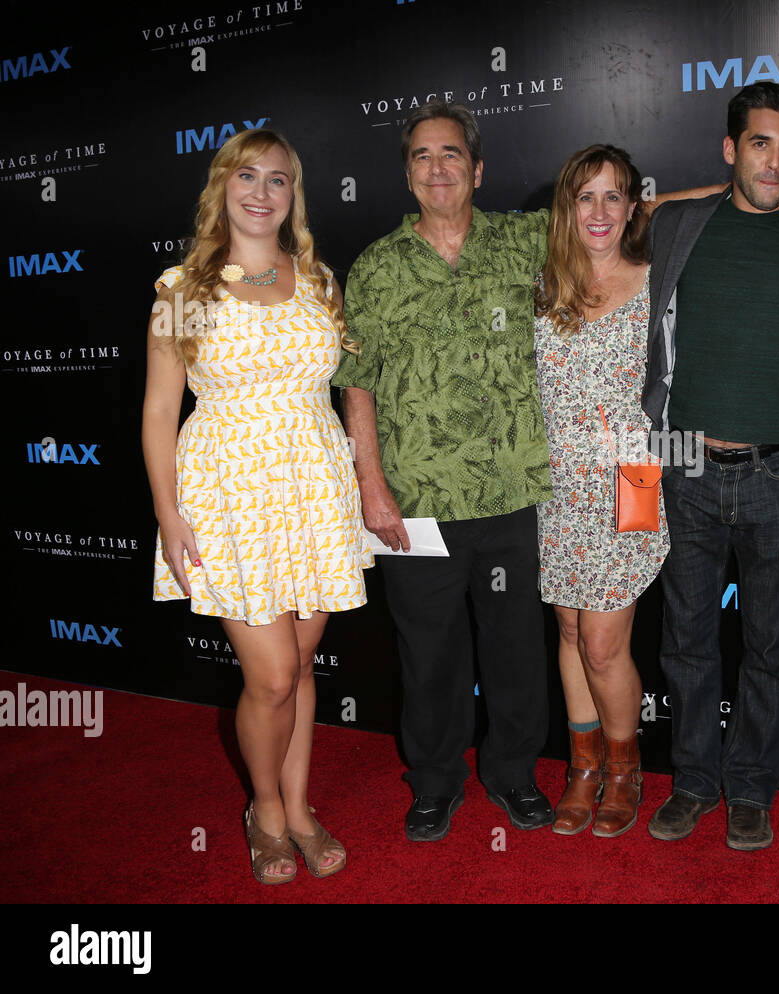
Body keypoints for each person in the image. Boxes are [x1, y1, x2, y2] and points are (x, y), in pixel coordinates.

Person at [142, 128, 372, 884]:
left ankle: (301, 811)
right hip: (229, 498)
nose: (262, 191)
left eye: (279, 179)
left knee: (303, 664)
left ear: (292, 196)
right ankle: (265, 812)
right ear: (222, 186)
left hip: (314, 487)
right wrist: (170, 517)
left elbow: (341, 389)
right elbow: (158, 413)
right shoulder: (180, 292)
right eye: (248, 175)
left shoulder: (318, 280)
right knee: (271, 676)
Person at [334, 101, 557, 840]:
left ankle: (514, 773)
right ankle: (433, 780)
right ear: (407, 173)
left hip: (512, 491)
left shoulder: (525, 242)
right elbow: (355, 381)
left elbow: (626, 210)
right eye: (423, 156)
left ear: (478, 168)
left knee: (516, 649)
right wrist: (371, 484)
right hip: (416, 500)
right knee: (428, 654)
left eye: (451, 154)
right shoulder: (377, 266)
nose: (438, 168)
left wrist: (727, 191)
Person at [643, 82, 779, 851]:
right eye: (759, 143)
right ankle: (695, 783)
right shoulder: (677, 224)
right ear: (731, 149)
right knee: (686, 641)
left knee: (772, 646)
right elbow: (612, 219)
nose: (777, 161)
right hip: (684, 470)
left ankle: (751, 792)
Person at [533, 145, 668, 837]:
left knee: (604, 644)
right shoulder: (544, 284)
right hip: (555, 482)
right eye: (585, 195)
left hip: (631, 477)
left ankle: (623, 768)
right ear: (567, 206)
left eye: (615, 196)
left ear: (633, 206)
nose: (599, 211)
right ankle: (581, 765)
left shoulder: (655, 280)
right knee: (566, 628)